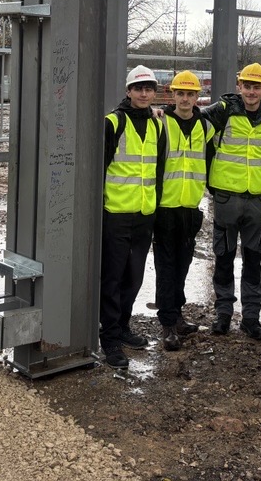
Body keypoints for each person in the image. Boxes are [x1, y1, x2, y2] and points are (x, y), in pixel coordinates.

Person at [201, 62, 261, 340]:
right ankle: (223, 314)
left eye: (257, 87)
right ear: (239, 87)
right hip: (226, 197)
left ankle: (250, 317)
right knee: (223, 258)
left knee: (254, 260)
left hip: (257, 200)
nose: (251, 91)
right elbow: (191, 122)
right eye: (247, 86)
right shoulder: (222, 111)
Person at [101, 65, 166, 369]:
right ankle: (110, 338)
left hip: (144, 214)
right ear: (128, 91)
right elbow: (100, 169)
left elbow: (159, 169)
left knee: (134, 277)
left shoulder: (157, 125)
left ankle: (123, 326)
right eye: (138, 89)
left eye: (149, 89)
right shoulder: (112, 123)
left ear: (154, 93)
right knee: (112, 278)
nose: (144, 94)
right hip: (116, 214)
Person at [153, 70, 214, 352]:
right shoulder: (162, 123)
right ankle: (167, 323)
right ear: (172, 95)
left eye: (191, 94)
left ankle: (177, 315)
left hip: (190, 207)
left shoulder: (205, 127)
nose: (186, 99)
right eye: (181, 93)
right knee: (166, 267)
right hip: (165, 207)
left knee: (183, 264)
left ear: (197, 97)